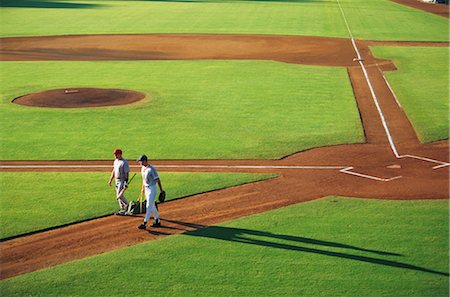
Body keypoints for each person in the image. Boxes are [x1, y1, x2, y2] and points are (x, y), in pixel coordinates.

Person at [137, 154, 163, 229]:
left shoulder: (152, 169)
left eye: (141, 161)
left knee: (148, 205)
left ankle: (145, 223)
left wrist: (161, 190)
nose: (140, 163)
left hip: (152, 189)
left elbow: (157, 180)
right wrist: (143, 188)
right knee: (152, 206)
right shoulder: (142, 168)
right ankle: (157, 220)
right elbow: (143, 179)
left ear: (145, 161)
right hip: (146, 189)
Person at [108, 149, 130, 215]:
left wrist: (126, 182)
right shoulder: (115, 161)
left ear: (120, 154)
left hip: (122, 180)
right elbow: (114, 171)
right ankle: (122, 209)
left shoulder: (124, 162)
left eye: (116, 154)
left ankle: (128, 205)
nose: (115, 156)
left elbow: (127, 173)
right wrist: (110, 180)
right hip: (116, 180)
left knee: (119, 195)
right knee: (118, 196)